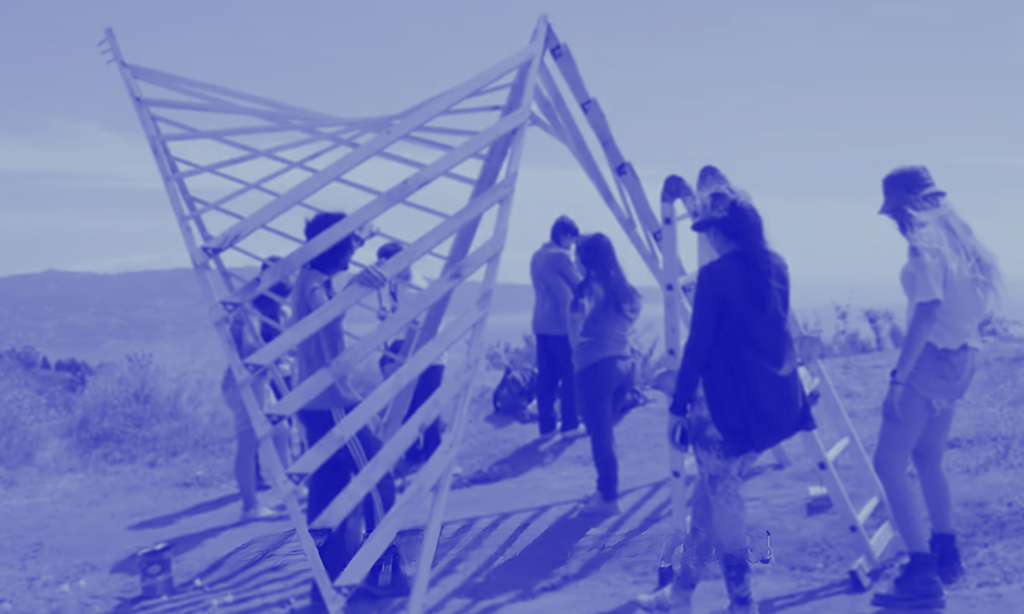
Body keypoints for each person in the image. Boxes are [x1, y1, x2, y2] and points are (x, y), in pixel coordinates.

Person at [639, 176, 815, 614]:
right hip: (772, 407)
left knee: (725, 502)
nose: (708, 240)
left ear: (720, 231)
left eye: (708, 231)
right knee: (709, 500)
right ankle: (681, 594)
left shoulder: (715, 275)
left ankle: (742, 602)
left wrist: (678, 405)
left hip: (724, 415)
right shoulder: (776, 266)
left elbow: (698, 345)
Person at [869, 166, 1001, 610]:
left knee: (887, 464)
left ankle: (920, 571)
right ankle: (947, 554)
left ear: (909, 207)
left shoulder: (924, 241)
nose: (894, 221)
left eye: (895, 212)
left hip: (930, 362)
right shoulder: (961, 238)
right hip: (963, 358)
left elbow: (927, 310)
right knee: (928, 458)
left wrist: (897, 379)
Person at [290, 212, 410, 605]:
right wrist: (357, 287)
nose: (352, 254)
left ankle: (325, 588)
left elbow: (334, 265)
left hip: (317, 401)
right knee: (378, 480)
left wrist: (360, 239)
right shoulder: (313, 284)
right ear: (331, 249)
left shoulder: (311, 275)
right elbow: (325, 312)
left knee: (328, 498)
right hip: (331, 403)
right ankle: (383, 573)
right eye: (347, 246)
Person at [569, 232, 643, 516]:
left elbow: (575, 328)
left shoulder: (586, 289)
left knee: (599, 435)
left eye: (577, 256)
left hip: (595, 368)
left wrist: (578, 350)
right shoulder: (623, 288)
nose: (574, 262)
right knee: (606, 432)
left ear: (587, 259)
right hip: (624, 364)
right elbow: (635, 311)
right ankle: (605, 489)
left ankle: (608, 497)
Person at [220, 266, 292, 523]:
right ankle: (250, 507)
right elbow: (250, 351)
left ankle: (290, 488)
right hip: (245, 384)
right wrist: (278, 350)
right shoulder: (250, 314)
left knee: (281, 430)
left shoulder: (270, 312)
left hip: (260, 381)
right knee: (249, 441)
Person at [530, 215, 584, 439]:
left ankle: (547, 427)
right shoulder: (560, 257)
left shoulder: (537, 256)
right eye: (572, 240)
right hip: (560, 325)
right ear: (564, 236)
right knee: (569, 375)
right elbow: (579, 286)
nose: (572, 246)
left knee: (546, 378)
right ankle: (570, 426)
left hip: (541, 323)